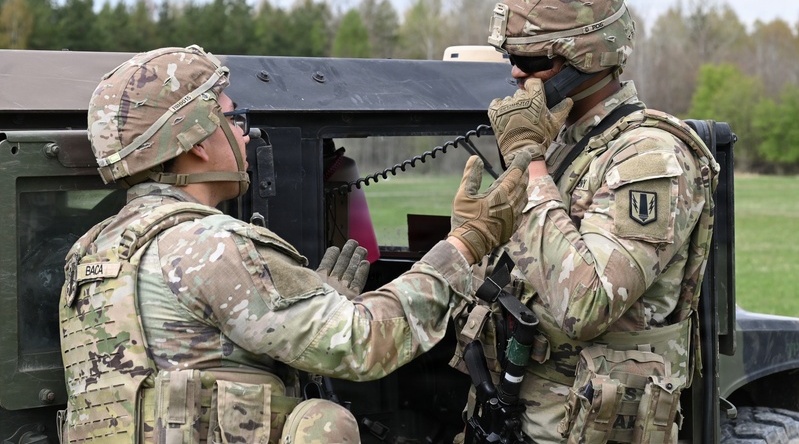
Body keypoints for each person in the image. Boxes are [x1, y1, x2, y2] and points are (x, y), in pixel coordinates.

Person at [58, 45, 533, 444]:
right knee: (324, 423)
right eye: (232, 119)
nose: (245, 134)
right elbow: (362, 343)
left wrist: (308, 304)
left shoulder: (92, 251)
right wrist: (466, 243)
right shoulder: (210, 246)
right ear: (197, 142)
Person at [450, 0, 718, 443]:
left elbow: (586, 303)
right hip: (518, 411)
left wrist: (529, 166)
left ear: (585, 58)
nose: (515, 71)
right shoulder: (564, 143)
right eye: (511, 56)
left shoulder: (647, 157)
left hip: (581, 426)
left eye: (532, 60)